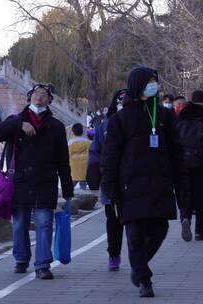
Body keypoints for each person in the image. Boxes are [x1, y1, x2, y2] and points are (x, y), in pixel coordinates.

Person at [101, 67, 182, 297]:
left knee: (160, 230)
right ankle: (144, 280)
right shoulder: (120, 119)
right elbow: (110, 157)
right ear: (137, 84)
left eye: (155, 81)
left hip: (160, 184)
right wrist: (110, 189)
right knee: (134, 235)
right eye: (148, 81)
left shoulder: (165, 116)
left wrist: (181, 184)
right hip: (130, 186)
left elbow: (176, 152)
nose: (153, 84)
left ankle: (138, 266)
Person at [0, 83, 74, 280]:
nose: (39, 97)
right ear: (29, 98)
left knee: (45, 223)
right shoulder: (15, 121)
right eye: (36, 94)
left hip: (46, 182)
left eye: (44, 95)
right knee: (20, 223)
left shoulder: (56, 127)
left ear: (49, 100)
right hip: (20, 182)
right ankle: (21, 259)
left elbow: (63, 160)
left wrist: (68, 187)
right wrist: (18, 124)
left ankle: (43, 264)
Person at [88, 89, 126, 271]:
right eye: (119, 102)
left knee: (134, 221)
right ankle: (114, 254)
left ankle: (137, 257)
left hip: (136, 179)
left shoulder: (143, 123)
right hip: (111, 179)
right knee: (113, 220)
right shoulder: (105, 126)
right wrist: (94, 177)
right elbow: (95, 154)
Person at [176, 90, 203, 242]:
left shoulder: (181, 117)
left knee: (186, 194)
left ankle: (185, 218)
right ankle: (200, 231)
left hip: (183, 163)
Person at [68, 123, 91, 190]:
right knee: (83, 189)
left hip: (73, 170)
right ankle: (83, 200)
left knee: (69, 189)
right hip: (84, 169)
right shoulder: (88, 143)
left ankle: (68, 200)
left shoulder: (70, 143)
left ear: (73, 132)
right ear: (82, 132)